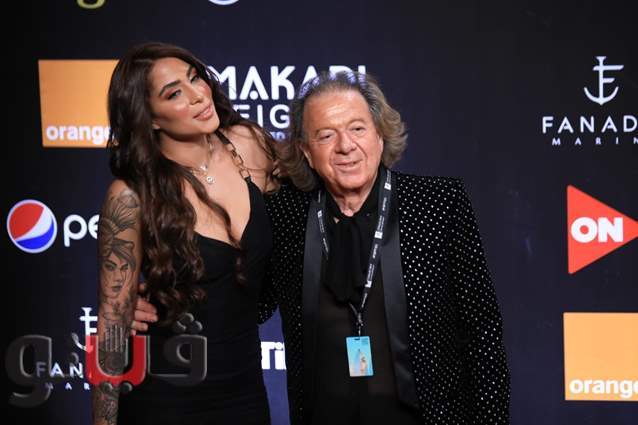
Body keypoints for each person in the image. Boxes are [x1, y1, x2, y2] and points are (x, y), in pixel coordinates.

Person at [135, 71, 510, 425]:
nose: (346, 146)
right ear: (306, 151)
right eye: (326, 135)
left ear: (380, 136)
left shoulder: (437, 203)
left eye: (358, 128)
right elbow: (248, 303)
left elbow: (483, 331)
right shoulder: (287, 213)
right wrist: (162, 301)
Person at [93, 42, 277, 425]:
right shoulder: (131, 196)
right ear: (150, 118)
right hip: (163, 398)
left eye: (195, 78)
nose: (197, 95)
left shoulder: (249, 146)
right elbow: (112, 327)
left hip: (245, 393)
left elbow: (312, 199)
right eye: (174, 93)